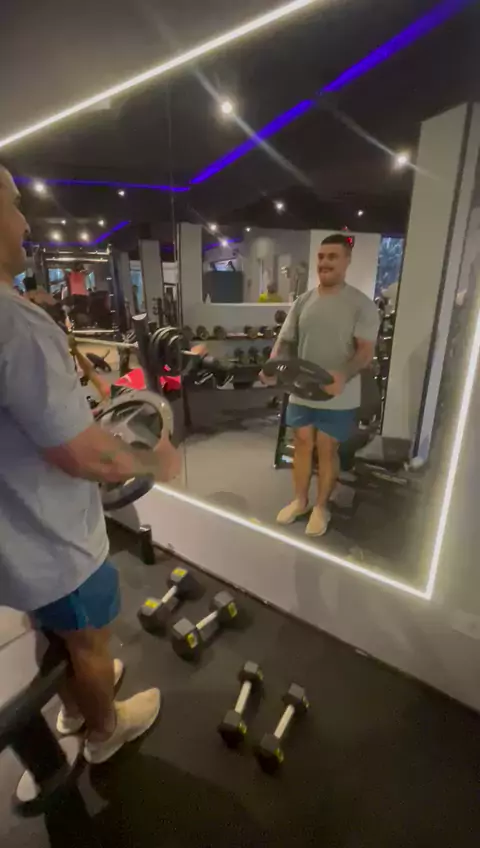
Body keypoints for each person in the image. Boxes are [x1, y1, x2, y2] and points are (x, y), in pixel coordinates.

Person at [0, 166, 181, 764]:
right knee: (88, 640)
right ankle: (105, 730)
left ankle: (76, 708)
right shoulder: (16, 327)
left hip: (15, 545)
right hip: (55, 542)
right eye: (15, 205)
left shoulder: (15, 317)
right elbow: (79, 453)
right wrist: (151, 460)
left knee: (53, 631)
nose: (25, 223)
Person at [262, 233, 379, 537]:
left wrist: (343, 375)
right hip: (301, 390)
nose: (325, 262)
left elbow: (365, 352)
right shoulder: (303, 302)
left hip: (338, 392)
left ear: (346, 261)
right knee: (301, 444)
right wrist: (272, 367)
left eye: (332, 257)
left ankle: (321, 506)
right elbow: (284, 341)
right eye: (322, 256)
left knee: (327, 449)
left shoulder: (361, 305)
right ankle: (300, 500)